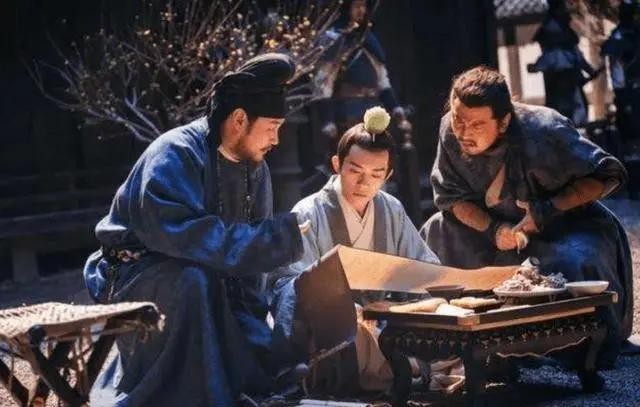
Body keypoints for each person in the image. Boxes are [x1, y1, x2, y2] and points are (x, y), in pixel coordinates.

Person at [83, 53, 308, 406]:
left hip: (204, 274)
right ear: (239, 119)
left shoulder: (256, 169)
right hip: (132, 271)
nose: (275, 140)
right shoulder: (175, 152)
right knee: (195, 281)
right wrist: (274, 238)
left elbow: (248, 269)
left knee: (263, 321)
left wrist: (258, 341)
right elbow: (178, 235)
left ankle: (236, 379)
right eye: (271, 128)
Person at [421, 66, 633, 368]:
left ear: (504, 121)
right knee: (435, 232)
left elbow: (608, 174)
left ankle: (575, 351)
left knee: (572, 262)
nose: (464, 132)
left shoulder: (545, 129)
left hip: (567, 223)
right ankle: (451, 341)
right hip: (494, 225)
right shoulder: (450, 130)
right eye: (458, 119)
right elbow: (451, 197)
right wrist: (494, 230)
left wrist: (547, 209)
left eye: (477, 124)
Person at [270, 106, 439, 391]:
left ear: (388, 174)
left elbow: (422, 267)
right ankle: (398, 370)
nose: (364, 183)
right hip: (333, 329)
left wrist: (436, 299)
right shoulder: (308, 212)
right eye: (355, 171)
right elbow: (293, 283)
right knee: (360, 342)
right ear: (337, 164)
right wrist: (344, 307)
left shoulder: (391, 209)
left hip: (383, 320)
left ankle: (398, 367)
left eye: (376, 174)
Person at [302, 0, 404, 194]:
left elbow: (382, 80)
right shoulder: (334, 40)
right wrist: (327, 119)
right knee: (354, 165)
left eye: (363, 6)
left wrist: (395, 106)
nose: (361, 10)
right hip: (346, 114)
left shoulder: (369, 39)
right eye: (356, 6)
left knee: (377, 160)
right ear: (346, 8)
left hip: (373, 112)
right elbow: (324, 85)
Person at [527, 0, 600, 126]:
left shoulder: (565, 37)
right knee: (563, 114)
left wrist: (589, 70)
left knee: (575, 112)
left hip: (570, 82)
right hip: (558, 84)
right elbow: (553, 58)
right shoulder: (552, 31)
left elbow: (576, 56)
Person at [601, 0, 640, 140]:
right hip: (627, 89)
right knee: (630, 125)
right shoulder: (620, 36)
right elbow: (614, 60)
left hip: (633, 87)